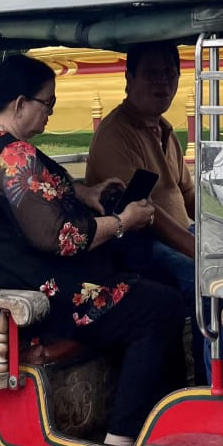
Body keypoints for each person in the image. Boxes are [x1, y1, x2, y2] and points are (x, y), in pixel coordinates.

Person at [0, 53, 185, 446]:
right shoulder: (13, 157)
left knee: (152, 279)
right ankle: (119, 441)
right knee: (160, 308)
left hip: (45, 278)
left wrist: (89, 192)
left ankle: (153, 419)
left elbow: (46, 190)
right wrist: (122, 222)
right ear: (19, 104)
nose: (50, 113)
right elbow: (61, 236)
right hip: (44, 292)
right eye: (47, 103)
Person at [84, 42, 194, 306]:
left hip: (180, 234)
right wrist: (196, 249)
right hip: (142, 243)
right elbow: (145, 210)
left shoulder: (164, 129)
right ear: (129, 79)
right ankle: (212, 348)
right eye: (152, 74)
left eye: (169, 73)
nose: (163, 82)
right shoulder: (116, 134)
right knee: (205, 280)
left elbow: (188, 194)